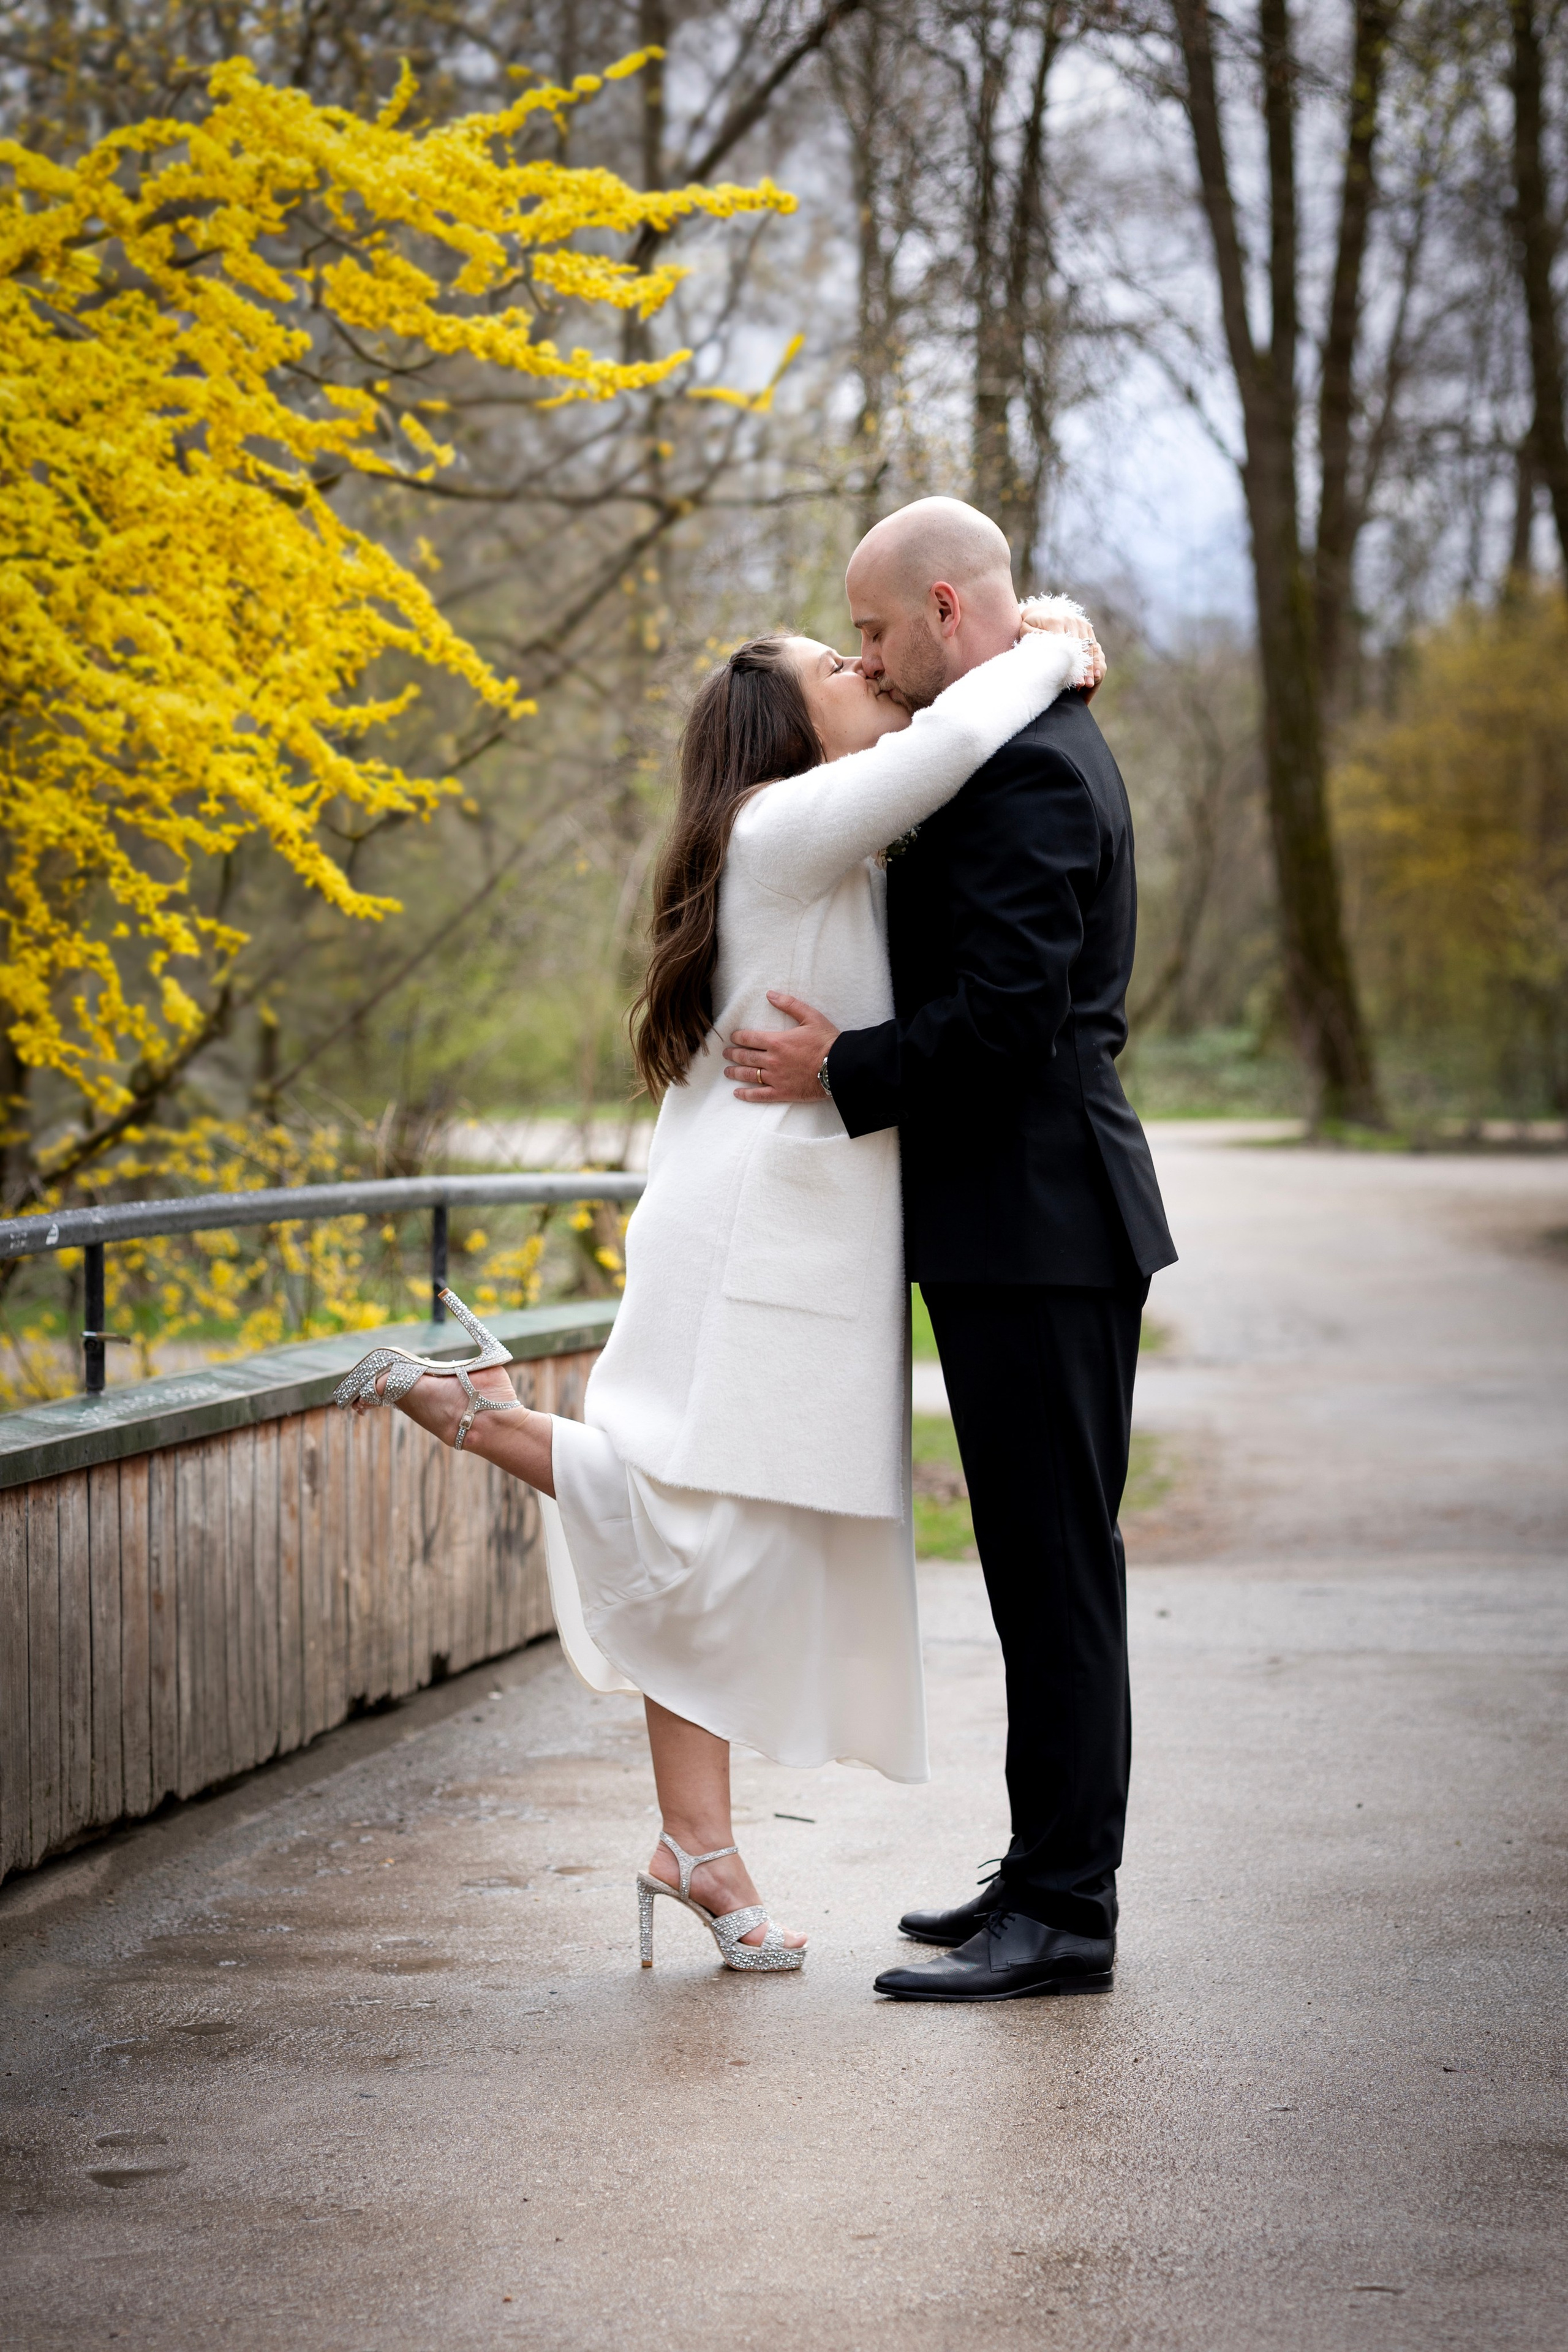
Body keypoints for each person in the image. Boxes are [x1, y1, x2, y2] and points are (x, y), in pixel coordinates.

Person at [334, 601, 1102, 1975]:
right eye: (831, 664)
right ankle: (483, 1420)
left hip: (776, 1229)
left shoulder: (808, 830)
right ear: (786, 726)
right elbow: (960, 732)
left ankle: (696, 1847)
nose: (860, 667)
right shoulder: (780, 822)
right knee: (696, 1528)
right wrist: (1051, 646)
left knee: (714, 1543)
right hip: (757, 1237)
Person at [724, 497, 1177, 2002]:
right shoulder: (1010, 740)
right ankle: (1038, 1874)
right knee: (1035, 1576)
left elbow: (1007, 1020)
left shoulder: (1034, 776)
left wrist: (837, 1070)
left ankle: (1064, 1913)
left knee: (1054, 1582)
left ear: (937, 610)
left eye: (867, 631)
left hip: (1044, 1229)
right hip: (1013, 1234)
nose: (864, 657)